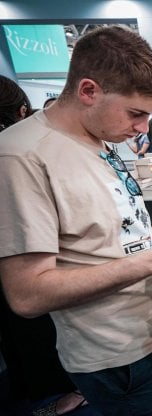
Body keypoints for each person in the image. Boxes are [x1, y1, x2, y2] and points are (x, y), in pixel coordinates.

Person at [0, 26, 152, 416]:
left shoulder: (97, 137)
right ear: (88, 91)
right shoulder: (22, 157)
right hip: (115, 354)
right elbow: (27, 294)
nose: (142, 129)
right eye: (136, 114)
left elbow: (108, 230)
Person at [0, 76, 91, 416]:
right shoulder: (19, 153)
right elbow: (29, 296)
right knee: (35, 327)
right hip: (34, 265)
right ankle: (58, 389)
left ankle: (46, 389)